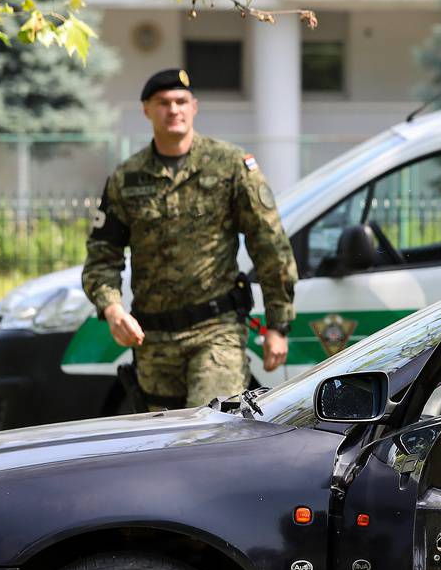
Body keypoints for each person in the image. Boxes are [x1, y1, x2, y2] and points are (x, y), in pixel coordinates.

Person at [82, 68, 297, 411]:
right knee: (166, 446)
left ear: (194, 107)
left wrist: (278, 324)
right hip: (152, 341)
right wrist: (111, 309)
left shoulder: (230, 166)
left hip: (216, 331)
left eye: (181, 101)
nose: (173, 110)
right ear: (146, 110)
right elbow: (101, 256)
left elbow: (269, 243)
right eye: (163, 102)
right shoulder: (126, 178)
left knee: (209, 430)